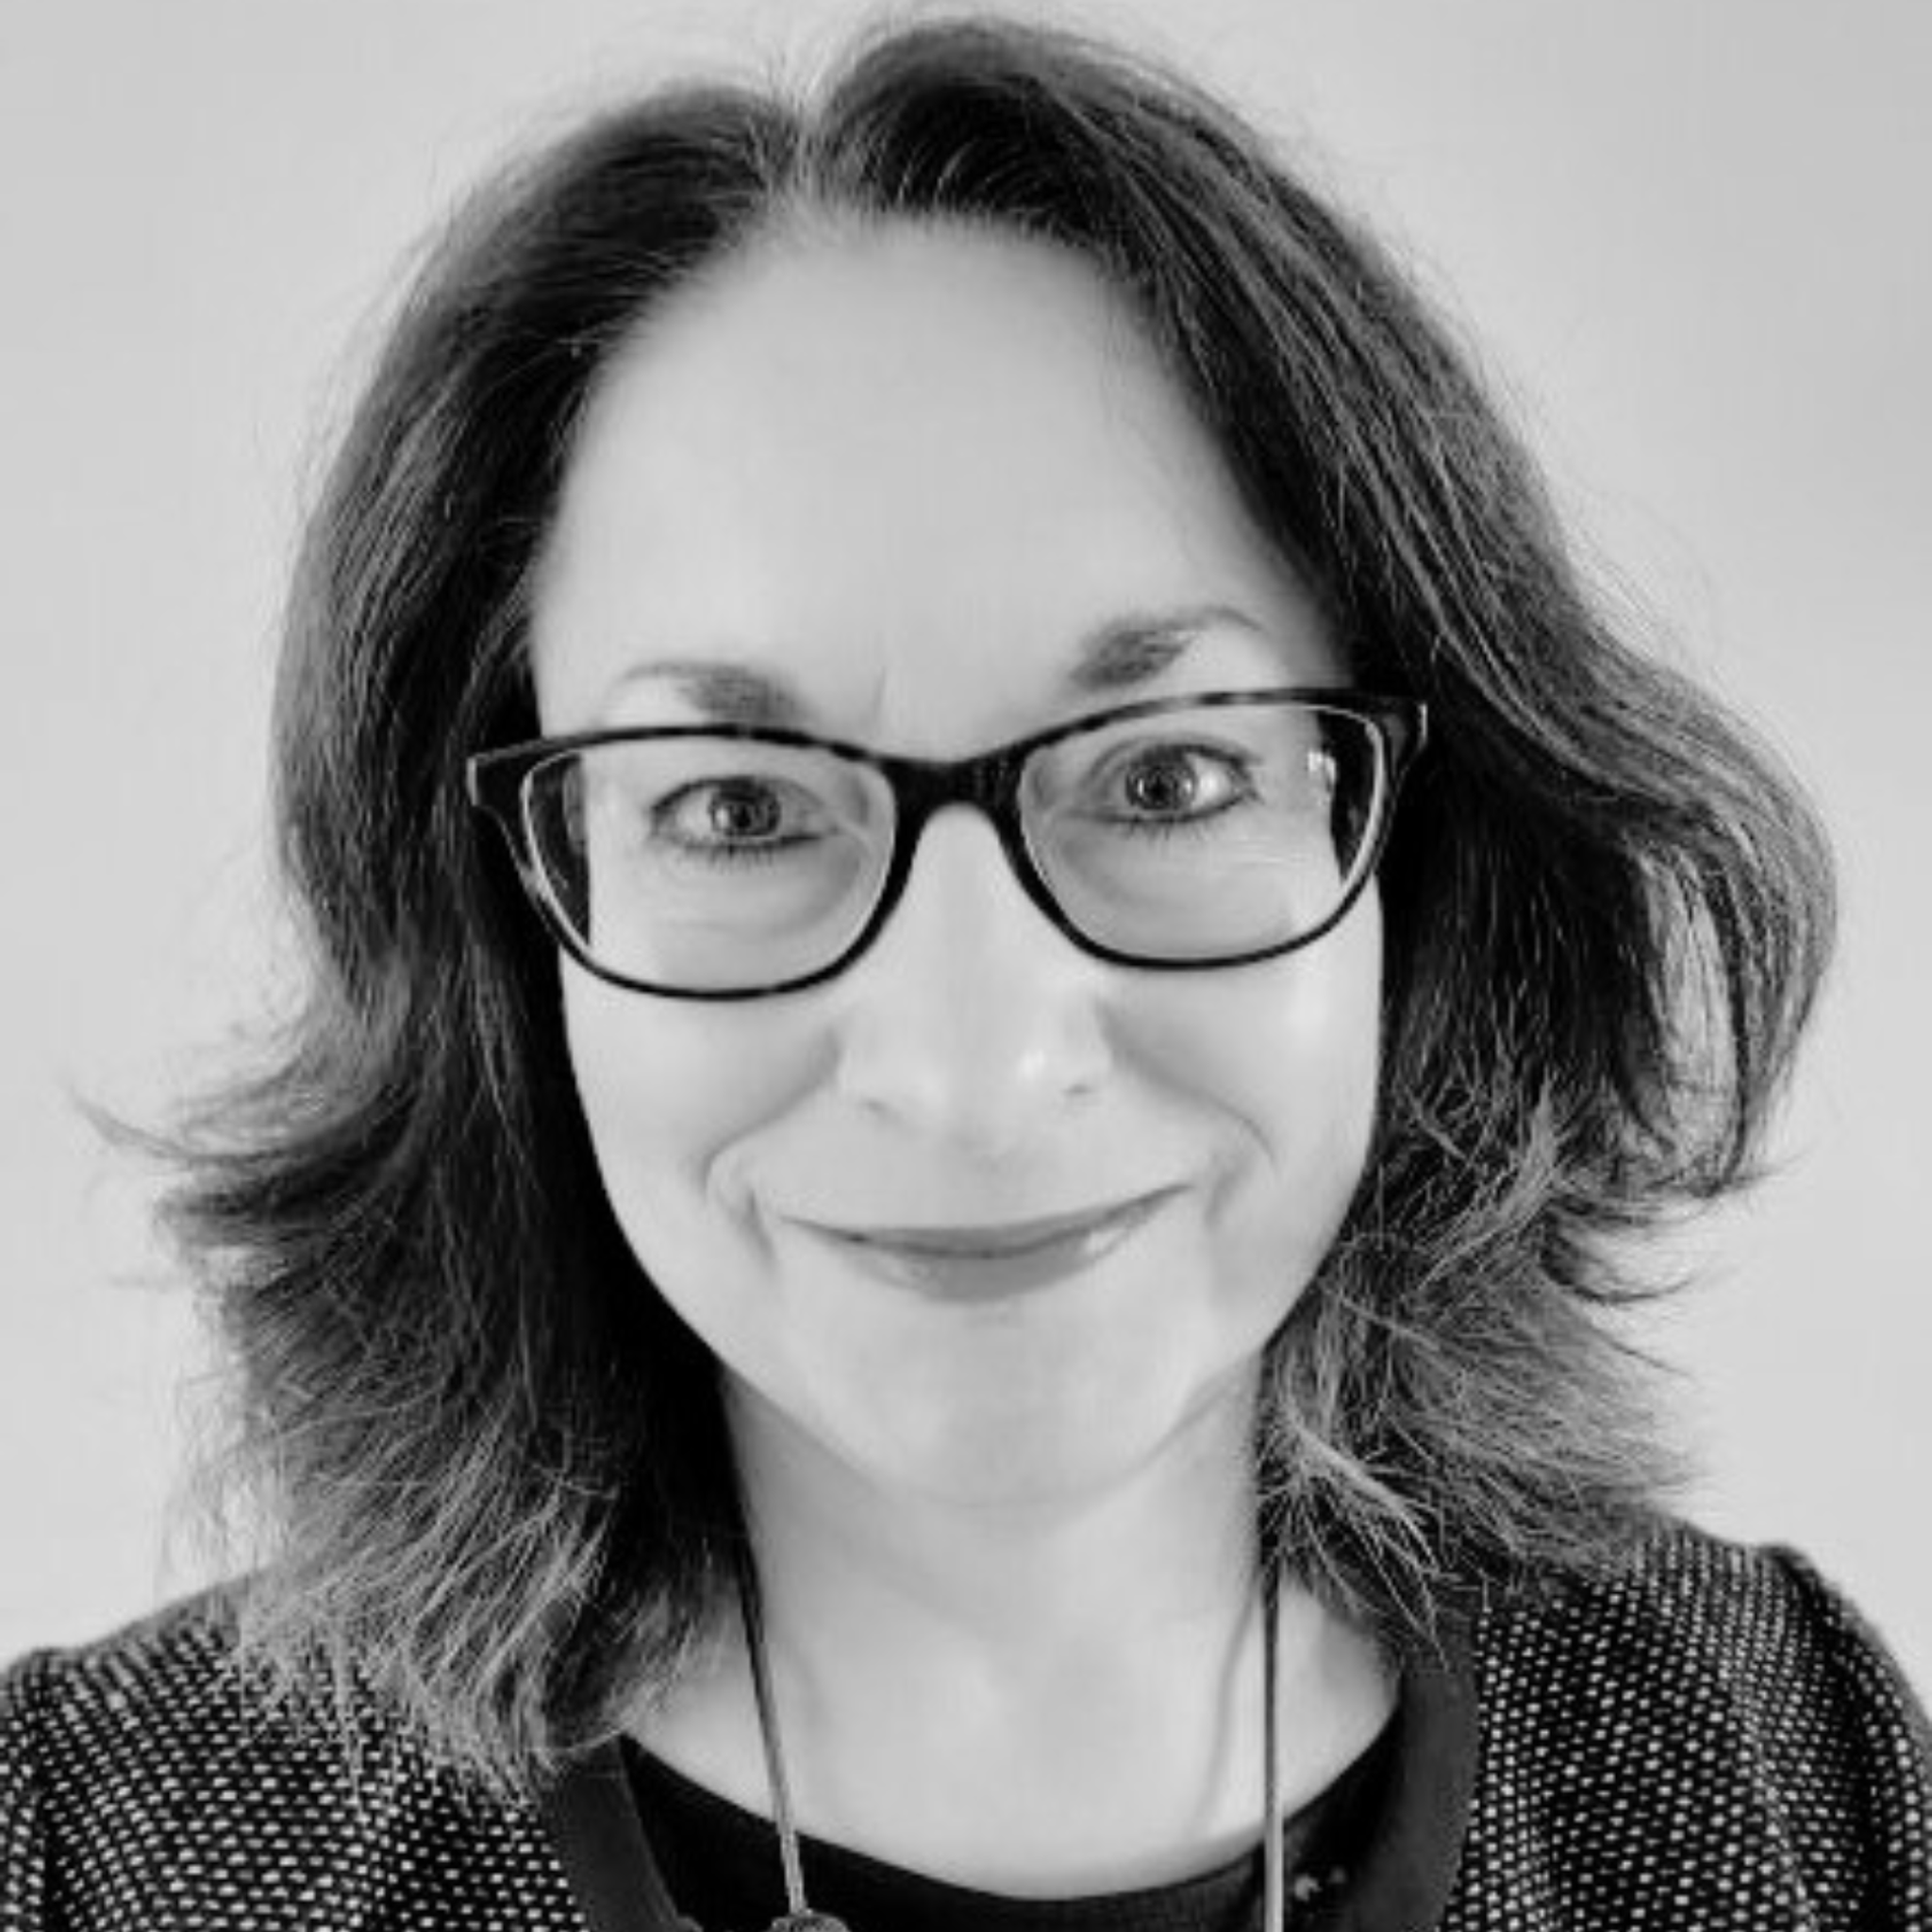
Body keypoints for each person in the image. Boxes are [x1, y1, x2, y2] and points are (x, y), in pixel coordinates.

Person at [3, 14, 1926, 1930]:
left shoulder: (1791, 1772)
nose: (974, 1070)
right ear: (506, 922)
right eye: (738, 809)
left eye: (1168, 779)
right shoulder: (89, 1854)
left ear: (1419, 861)